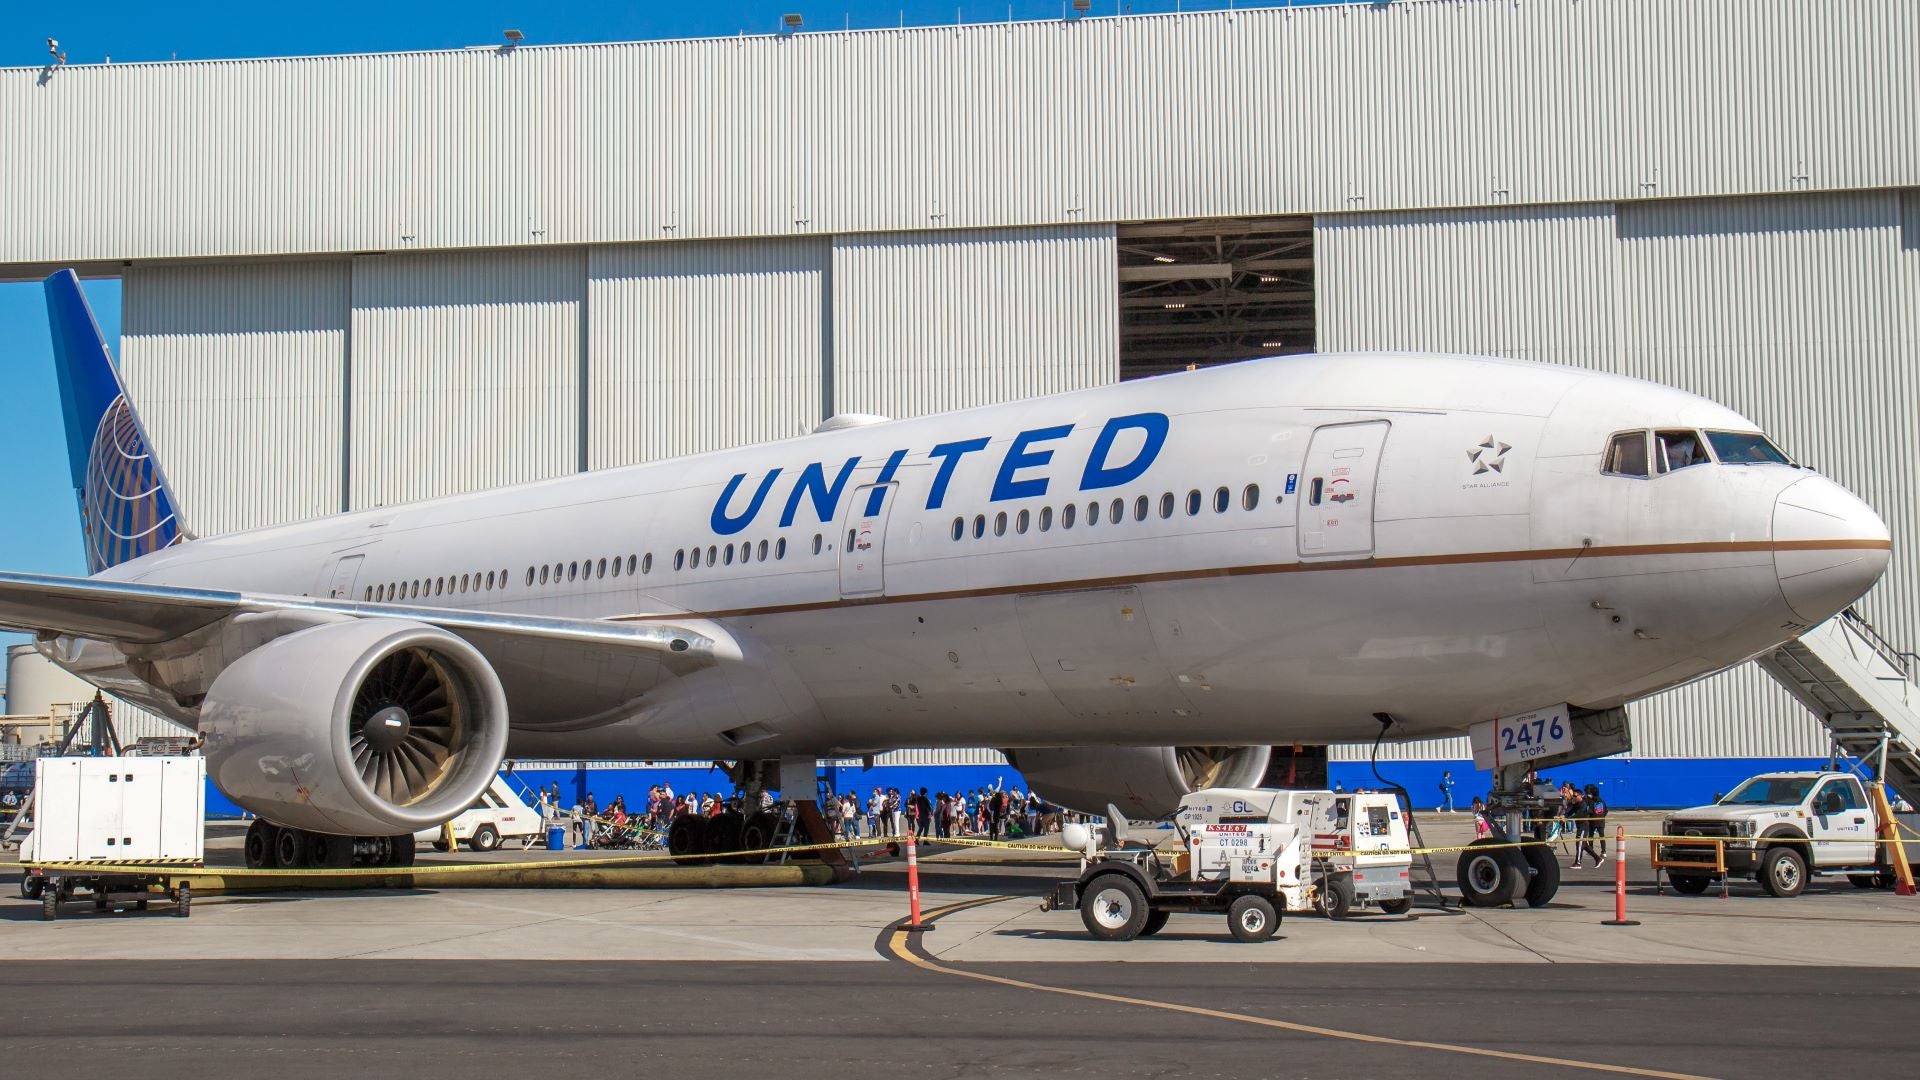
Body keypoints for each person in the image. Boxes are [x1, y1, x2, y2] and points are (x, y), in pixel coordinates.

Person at [1574, 784, 1608, 866]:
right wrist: (1602, 816)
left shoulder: (1590, 800)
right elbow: (1606, 810)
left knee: (1589, 837)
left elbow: (1589, 811)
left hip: (1592, 821)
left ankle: (1589, 852)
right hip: (1601, 821)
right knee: (1601, 836)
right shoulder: (1601, 800)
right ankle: (1603, 852)